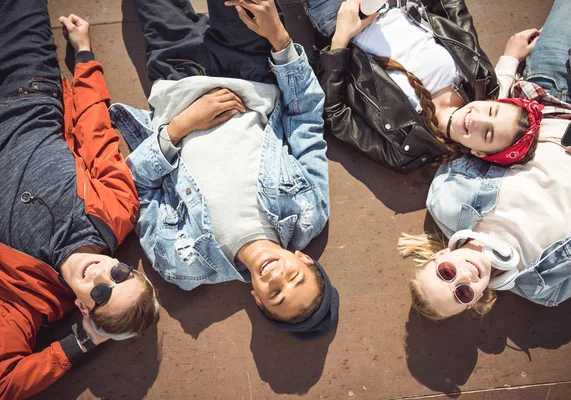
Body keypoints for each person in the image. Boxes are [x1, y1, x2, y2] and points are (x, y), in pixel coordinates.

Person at [109, 0, 338, 339]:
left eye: (275, 295)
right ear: (305, 260)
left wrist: (180, 127)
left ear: (258, 300)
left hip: (176, 81)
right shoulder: (309, 213)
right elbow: (305, 121)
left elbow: (134, 190)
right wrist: (280, 40)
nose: (277, 279)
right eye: (295, 278)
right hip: (250, 69)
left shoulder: (183, 265)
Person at [398, 0, 571, 320]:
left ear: (438, 259)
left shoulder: (447, 200)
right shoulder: (546, 285)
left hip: (549, 90)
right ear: (475, 301)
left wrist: (507, 64)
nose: (464, 278)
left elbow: (479, 135)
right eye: (462, 294)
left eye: (447, 274)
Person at [0, 2, 160, 399]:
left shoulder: (30, 300)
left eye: (102, 294)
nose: (102, 276)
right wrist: (85, 58)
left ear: (85, 311)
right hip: (29, 90)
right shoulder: (116, 211)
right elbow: (96, 132)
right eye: (120, 276)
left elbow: (5, 381)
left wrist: (82, 343)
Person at [302, 0, 544, 171]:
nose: (478, 120)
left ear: (480, 154)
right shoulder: (480, 77)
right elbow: (452, 11)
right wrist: (511, 59)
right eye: (492, 111)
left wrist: (341, 38)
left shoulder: (408, 150)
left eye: (487, 134)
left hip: (339, 16)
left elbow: (335, 114)